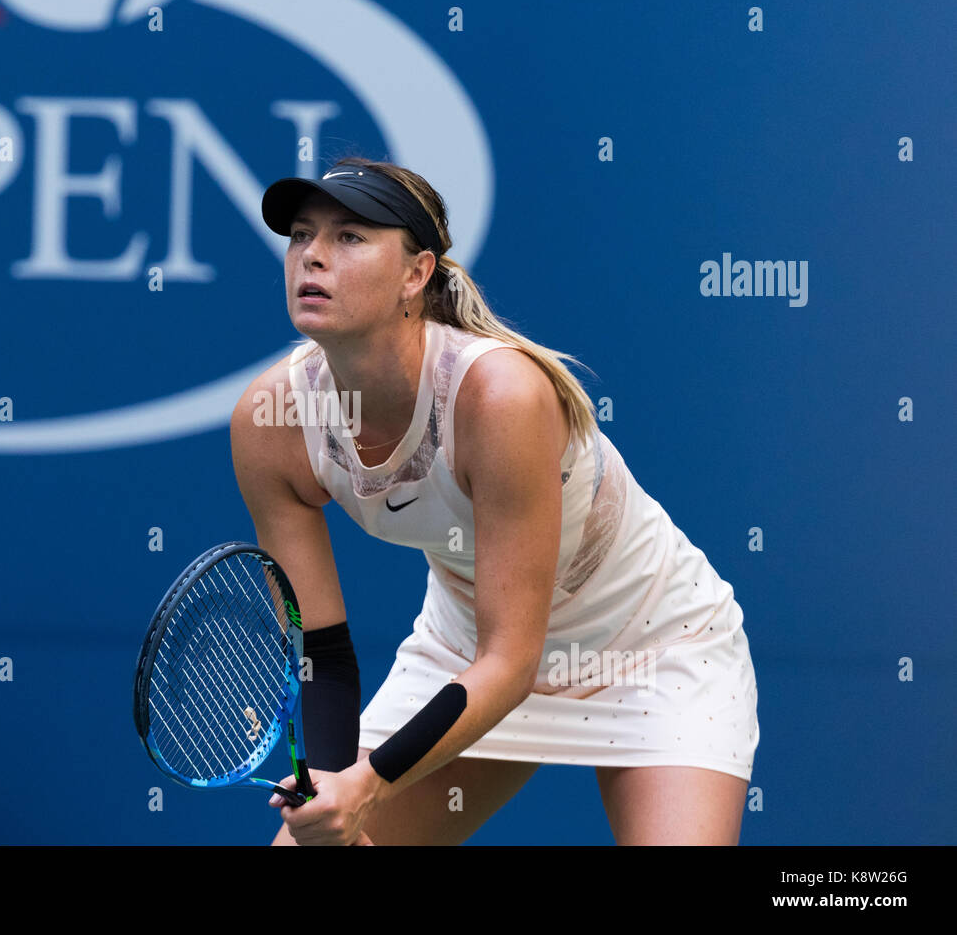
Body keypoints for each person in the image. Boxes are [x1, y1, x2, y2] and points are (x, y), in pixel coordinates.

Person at [230, 158, 760, 845]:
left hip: (653, 649)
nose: (314, 258)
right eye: (301, 236)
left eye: (351, 237)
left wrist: (371, 782)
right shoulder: (271, 421)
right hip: (468, 652)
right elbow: (323, 655)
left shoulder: (499, 397)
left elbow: (514, 662)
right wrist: (335, 790)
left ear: (416, 275)